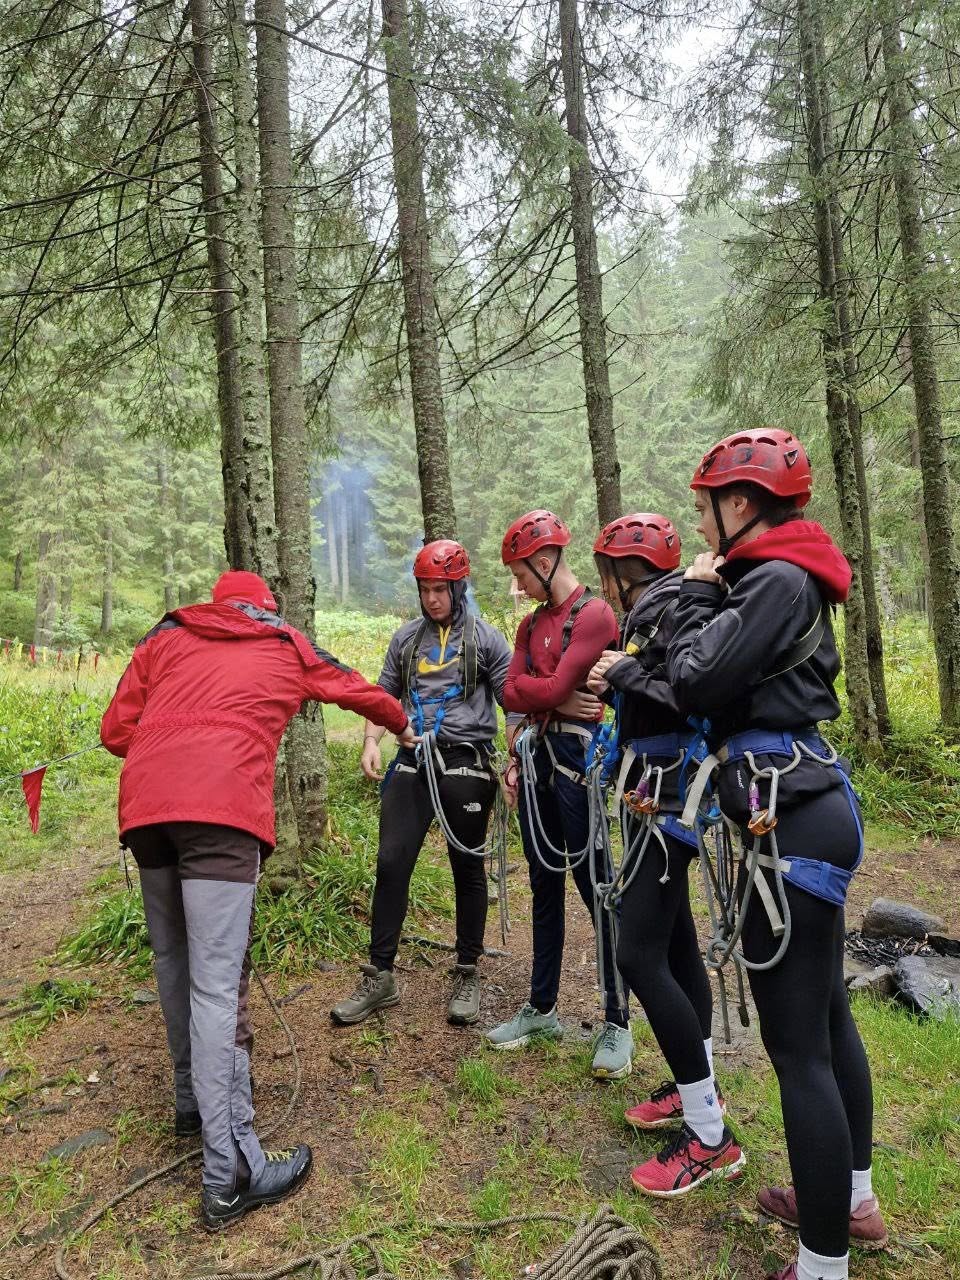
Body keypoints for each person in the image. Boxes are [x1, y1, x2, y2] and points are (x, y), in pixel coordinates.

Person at [100, 570, 412, 1231]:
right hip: (221, 812)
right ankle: (231, 1173)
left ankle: (192, 1103)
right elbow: (356, 688)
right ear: (264, 608)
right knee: (218, 987)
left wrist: (172, 738)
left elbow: (115, 730)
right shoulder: (284, 641)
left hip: (147, 807)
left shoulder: (167, 633)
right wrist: (402, 723)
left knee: (173, 963)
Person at [665, 430, 887, 1280]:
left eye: (706, 508)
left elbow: (692, 679)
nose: (701, 525)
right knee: (825, 1019)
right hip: (802, 809)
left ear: (740, 503)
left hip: (787, 823)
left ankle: (822, 1265)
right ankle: (850, 1201)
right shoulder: (783, 578)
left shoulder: (774, 582)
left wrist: (693, 594)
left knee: (798, 1053)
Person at [586, 513, 743, 1195]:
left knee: (637, 954)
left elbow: (687, 693)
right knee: (675, 942)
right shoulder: (664, 606)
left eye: (606, 574)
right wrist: (622, 681)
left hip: (668, 791)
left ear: (623, 573)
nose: (604, 587)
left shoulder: (667, 606)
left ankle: (709, 1134)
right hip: (658, 786)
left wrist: (625, 674)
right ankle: (694, 1085)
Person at [330, 540, 512, 1028]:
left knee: (467, 866)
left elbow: (511, 703)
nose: (432, 599)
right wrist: (371, 741)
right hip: (412, 758)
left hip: (466, 759)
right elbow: (383, 695)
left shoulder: (487, 640)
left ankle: (468, 970)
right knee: (391, 861)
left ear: (459, 587)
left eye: (441, 589)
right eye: (425, 589)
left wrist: (516, 758)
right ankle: (380, 976)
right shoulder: (406, 640)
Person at [485, 510, 633, 1081]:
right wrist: (553, 698)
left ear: (545, 562)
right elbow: (510, 693)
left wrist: (546, 695)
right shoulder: (529, 626)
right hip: (539, 762)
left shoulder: (592, 616)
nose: (518, 584)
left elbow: (539, 687)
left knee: (596, 887)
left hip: (577, 766)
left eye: (521, 573)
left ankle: (617, 1020)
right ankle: (542, 1007)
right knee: (543, 884)